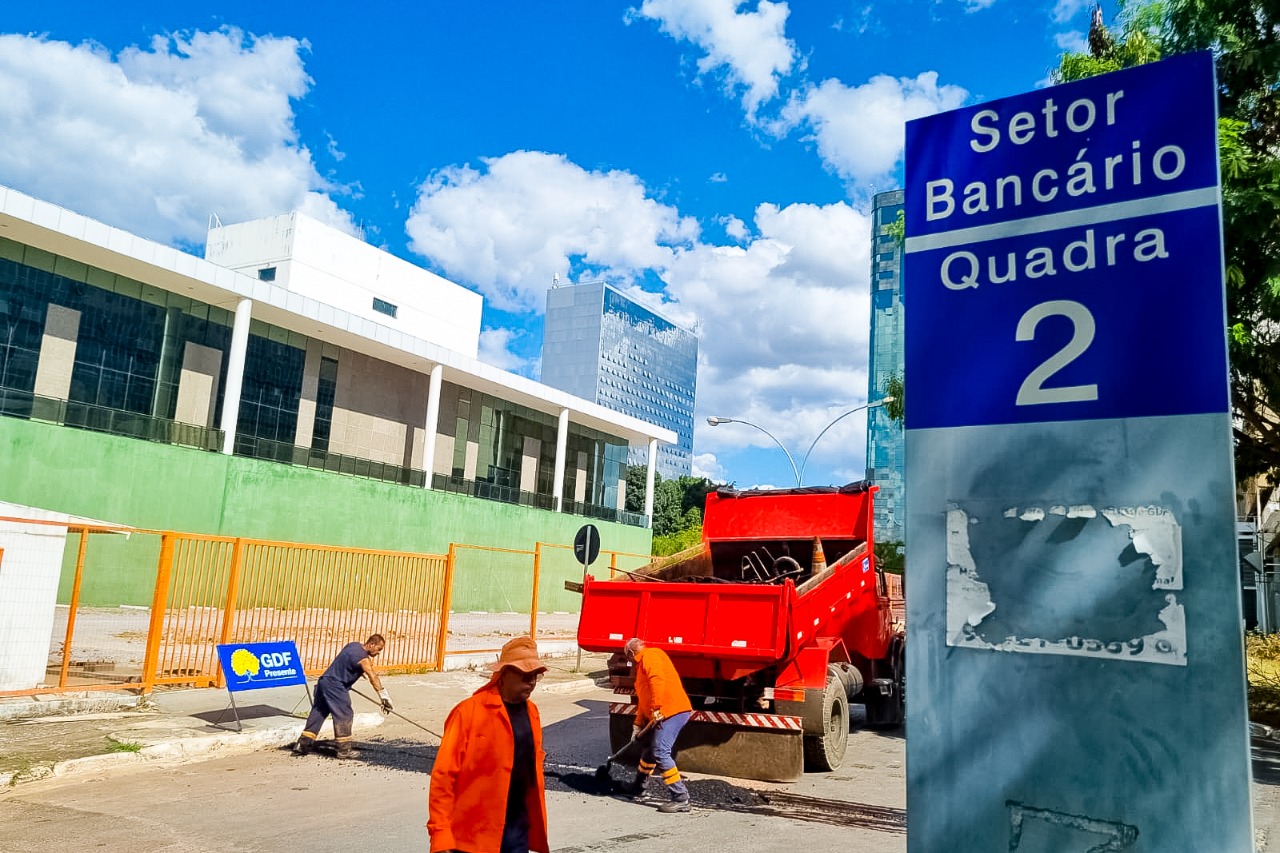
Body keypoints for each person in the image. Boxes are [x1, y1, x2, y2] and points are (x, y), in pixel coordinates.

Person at [427, 635, 549, 853]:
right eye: (525, 675)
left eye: (535, 676)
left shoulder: (532, 712)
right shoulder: (468, 712)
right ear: (503, 675)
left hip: (516, 831)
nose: (531, 682)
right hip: (472, 836)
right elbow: (443, 776)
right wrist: (441, 833)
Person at [622, 637, 694, 813]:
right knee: (650, 750)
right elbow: (643, 700)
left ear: (630, 653)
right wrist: (638, 725)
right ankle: (639, 787)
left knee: (660, 751)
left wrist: (656, 709)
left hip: (672, 711)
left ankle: (681, 798)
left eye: (627, 657)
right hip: (662, 712)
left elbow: (657, 680)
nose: (629, 661)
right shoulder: (641, 667)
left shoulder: (650, 655)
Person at [293, 634, 392, 759]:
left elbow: (345, 662)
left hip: (324, 682)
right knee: (345, 713)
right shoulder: (363, 659)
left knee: (319, 713)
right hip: (336, 686)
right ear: (371, 644)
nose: (378, 653)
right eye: (379, 649)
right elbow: (373, 676)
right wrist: (384, 696)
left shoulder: (353, 645)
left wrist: (354, 673)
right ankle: (344, 749)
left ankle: (302, 744)